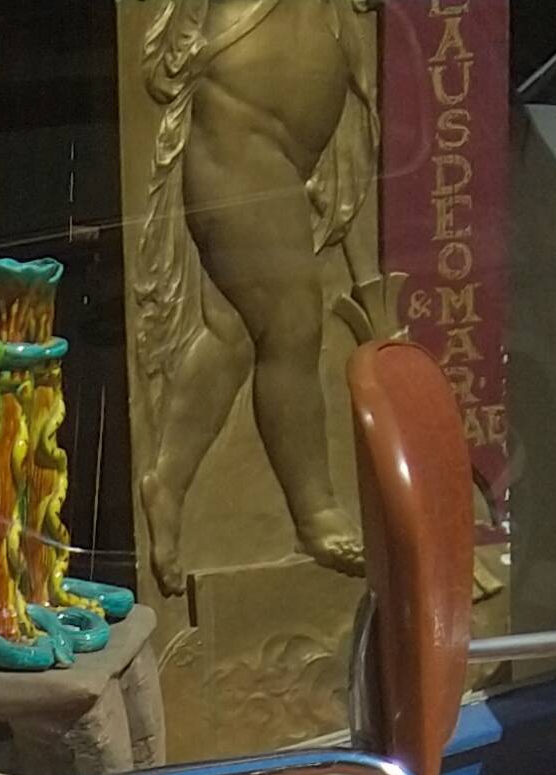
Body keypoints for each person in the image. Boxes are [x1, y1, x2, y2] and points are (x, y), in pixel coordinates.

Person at [134, 0, 381, 591]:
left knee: (234, 336)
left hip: (283, 158)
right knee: (293, 324)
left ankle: (167, 484)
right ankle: (315, 511)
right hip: (238, 141)